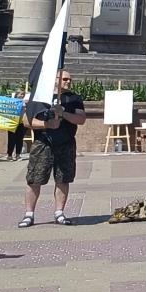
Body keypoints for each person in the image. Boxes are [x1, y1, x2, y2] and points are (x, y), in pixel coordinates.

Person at [20, 69, 86, 227]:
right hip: (43, 143)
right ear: (55, 80)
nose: (68, 82)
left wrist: (63, 113)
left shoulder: (74, 99)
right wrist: (48, 124)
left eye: (69, 79)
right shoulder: (40, 97)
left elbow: (81, 119)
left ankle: (59, 212)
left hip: (66, 143)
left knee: (63, 179)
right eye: (64, 79)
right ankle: (29, 214)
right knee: (34, 179)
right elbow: (26, 121)